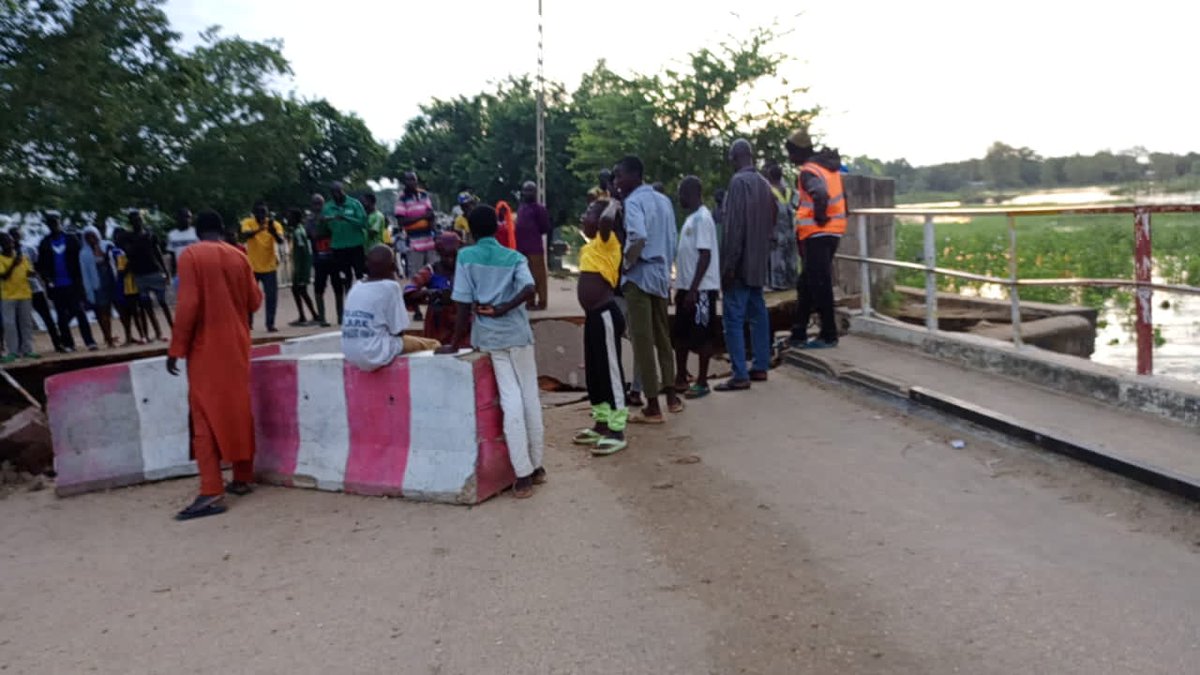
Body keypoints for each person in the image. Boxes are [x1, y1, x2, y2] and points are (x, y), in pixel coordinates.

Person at [439, 205, 545, 498]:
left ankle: (522, 474)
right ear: (497, 228)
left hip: (490, 338)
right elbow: (529, 289)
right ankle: (537, 467)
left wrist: (454, 341)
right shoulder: (514, 257)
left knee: (510, 401)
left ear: (471, 231)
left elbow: (462, 303)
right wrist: (505, 308)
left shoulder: (466, 257)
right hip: (519, 335)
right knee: (530, 399)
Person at [166, 210, 263, 521]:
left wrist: (176, 348)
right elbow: (255, 301)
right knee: (237, 408)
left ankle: (211, 490)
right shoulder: (239, 256)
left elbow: (188, 306)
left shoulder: (191, 256)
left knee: (204, 418)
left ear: (197, 231)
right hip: (237, 343)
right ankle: (243, 476)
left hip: (205, 348)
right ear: (222, 230)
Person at [614, 155, 681, 423]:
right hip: (661, 273)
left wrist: (627, 262)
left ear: (633, 175)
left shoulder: (633, 202)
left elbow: (638, 236)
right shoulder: (663, 201)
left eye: (620, 176)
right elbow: (672, 238)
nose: (617, 182)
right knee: (663, 336)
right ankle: (672, 396)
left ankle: (652, 404)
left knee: (642, 339)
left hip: (640, 273)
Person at [718, 139, 778, 391]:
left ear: (735, 157)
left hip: (741, 263)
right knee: (758, 315)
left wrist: (728, 266)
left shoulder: (738, 183)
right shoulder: (765, 185)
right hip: (758, 262)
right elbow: (774, 218)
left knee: (733, 318)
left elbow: (734, 229)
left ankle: (740, 373)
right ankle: (761, 366)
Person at [570, 195, 628, 455]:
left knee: (610, 372)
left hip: (605, 315)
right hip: (593, 317)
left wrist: (612, 204)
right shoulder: (591, 246)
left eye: (590, 212)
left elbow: (605, 221)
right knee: (595, 373)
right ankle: (601, 421)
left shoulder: (609, 241)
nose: (585, 217)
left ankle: (617, 428)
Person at [787, 130, 846, 349]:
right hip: (833, 231)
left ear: (799, 152)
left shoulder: (808, 172)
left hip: (818, 233)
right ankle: (799, 332)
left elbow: (820, 194)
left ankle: (829, 334)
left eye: (791, 153)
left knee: (819, 284)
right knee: (806, 283)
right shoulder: (828, 168)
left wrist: (820, 216)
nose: (789, 158)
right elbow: (842, 198)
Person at [342, 245, 440, 372]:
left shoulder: (356, 287)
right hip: (374, 353)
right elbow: (398, 331)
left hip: (351, 353)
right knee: (434, 344)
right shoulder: (390, 287)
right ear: (393, 266)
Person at [672, 176, 722, 399]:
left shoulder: (703, 218)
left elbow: (705, 255)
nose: (679, 197)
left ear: (692, 193)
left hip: (701, 289)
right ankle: (681, 376)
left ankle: (702, 381)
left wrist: (693, 289)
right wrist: (680, 287)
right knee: (680, 335)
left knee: (702, 336)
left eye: (681, 192)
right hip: (686, 287)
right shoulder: (691, 219)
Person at [36, 213, 97, 352]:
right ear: (48, 226)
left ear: (60, 223)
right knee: (61, 316)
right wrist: (47, 278)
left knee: (80, 312)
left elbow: (80, 260)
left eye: (55, 223)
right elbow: (41, 265)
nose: (53, 226)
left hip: (73, 283)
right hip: (56, 285)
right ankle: (69, 344)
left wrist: (82, 282)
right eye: (50, 224)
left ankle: (90, 341)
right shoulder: (45, 243)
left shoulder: (71, 239)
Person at [404, 232, 469, 349]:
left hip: (463, 321)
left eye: (454, 256)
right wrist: (429, 293)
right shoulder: (431, 270)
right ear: (439, 254)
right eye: (446, 256)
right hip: (438, 323)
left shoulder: (467, 270)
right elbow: (409, 290)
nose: (450, 260)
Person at [10, 227, 62, 353]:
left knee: (47, 317)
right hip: (18, 291)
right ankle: (23, 348)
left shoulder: (29, 249)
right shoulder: (5, 254)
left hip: (34, 288)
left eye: (17, 235)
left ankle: (57, 343)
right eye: (13, 236)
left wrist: (39, 276)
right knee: (21, 320)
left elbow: (38, 266)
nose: (15, 239)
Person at [126, 210, 173, 340]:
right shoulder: (128, 237)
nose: (138, 222)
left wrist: (165, 270)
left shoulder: (150, 234)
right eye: (135, 220)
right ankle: (158, 332)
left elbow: (157, 252)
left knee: (163, 302)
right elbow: (129, 253)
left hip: (154, 271)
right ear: (131, 222)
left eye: (139, 219)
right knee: (146, 305)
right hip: (139, 274)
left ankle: (173, 328)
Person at [322, 181, 368, 312]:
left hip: (356, 245)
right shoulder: (328, 207)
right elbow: (324, 226)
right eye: (333, 192)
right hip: (338, 247)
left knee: (360, 276)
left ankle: (364, 304)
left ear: (343, 190)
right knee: (344, 277)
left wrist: (346, 218)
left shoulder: (354, 204)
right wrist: (325, 221)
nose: (336, 194)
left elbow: (363, 223)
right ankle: (349, 305)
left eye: (339, 191)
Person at [240, 201, 284, 332]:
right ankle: (248, 323)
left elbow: (280, 240)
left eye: (264, 213)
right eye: (259, 213)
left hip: (269, 267)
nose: (262, 215)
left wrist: (273, 232)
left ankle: (270, 324)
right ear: (254, 214)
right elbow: (245, 235)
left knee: (271, 296)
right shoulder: (247, 222)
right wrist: (260, 229)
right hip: (252, 267)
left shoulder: (274, 225)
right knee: (249, 296)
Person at [0, 232, 38, 362]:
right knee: (10, 324)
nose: (10, 244)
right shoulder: (1, 259)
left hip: (24, 294)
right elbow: (3, 276)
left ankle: (27, 350)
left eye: (10, 241)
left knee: (26, 323)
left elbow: (29, 273)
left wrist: (33, 273)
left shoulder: (23, 257)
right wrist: (13, 264)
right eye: (6, 242)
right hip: (8, 296)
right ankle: (13, 352)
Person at [79, 226, 118, 348]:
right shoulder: (84, 253)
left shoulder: (107, 245)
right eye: (88, 237)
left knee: (114, 309)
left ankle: (112, 336)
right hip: (97, 284)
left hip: (111, 280)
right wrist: (88, 290)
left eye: (93, 236)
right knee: (102, 311)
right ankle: (108, 338)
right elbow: (84, 273)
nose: (91, 239)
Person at [111, 228, 150, 345]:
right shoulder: (115, 252)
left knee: (137, 311)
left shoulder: (130, 252)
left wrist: (125, 270)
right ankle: (129, 337)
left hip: (133, 285)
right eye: (116, 237)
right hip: (121, 286)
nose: (118, 239)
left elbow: (127, 269)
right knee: (125, 313)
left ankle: (144, 335)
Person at [516, 181, 552, 310]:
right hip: (521, 248)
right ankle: (529, 301)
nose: (528, 193)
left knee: (539, 276)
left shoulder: (540, 209)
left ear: (536, 193)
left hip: (534, 247)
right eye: (526, 190)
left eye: (531, 190)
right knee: (525, 276)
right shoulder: (521, 208)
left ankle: (542, 302)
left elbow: (545, 227)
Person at [764, 162, 800, 291]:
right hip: (790, 232)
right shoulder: (790, 191)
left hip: (776, 233)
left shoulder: (769, 192)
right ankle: (792, 283)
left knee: (777, 260)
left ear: (769, 176)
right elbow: (798, 206)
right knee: (791, 258)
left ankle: (779, 285)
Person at [394, 171, 437, 270]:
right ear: (404, 182)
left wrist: (435, 232)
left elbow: (431, 214)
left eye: (413, 179)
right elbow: (401, 221)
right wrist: (422, 217)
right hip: (414, 243)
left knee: (433, 272)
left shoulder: (423, 195)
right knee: (416, 275)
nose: (411, 182)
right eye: (408, 180)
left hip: (430, 241)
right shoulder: (401, 198)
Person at [306, 193, 336, 327]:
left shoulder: (330, 217)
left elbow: (336, 231)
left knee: (338, 286)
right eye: (316, 203)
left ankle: (341, 316)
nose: (319, 206)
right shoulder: (310, 220)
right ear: (312, 205)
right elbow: (313, 235)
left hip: (334, 257)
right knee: (319, 288)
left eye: (321, 203)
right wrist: (322, 223)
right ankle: (322, 318)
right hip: (319, 258)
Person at [285, 208, 318, 327]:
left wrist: (303, 270)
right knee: (297, 290)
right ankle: (304, 315)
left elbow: (305, 252)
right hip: (298, 267)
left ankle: (312, 315)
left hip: (301, 269)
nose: (287, 219)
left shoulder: (298, 233)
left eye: (290, 217)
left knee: (301, 290)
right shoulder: (297, 231)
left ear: (295, 219)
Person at [166, 208, 198, 278]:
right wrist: (171, 272)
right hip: (180, 272)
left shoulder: (197, 233)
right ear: (178, 218)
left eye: (189, 217)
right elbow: (171, 255)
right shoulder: (172, 235)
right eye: (185, 217)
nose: (187, 220)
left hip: (196, 270)